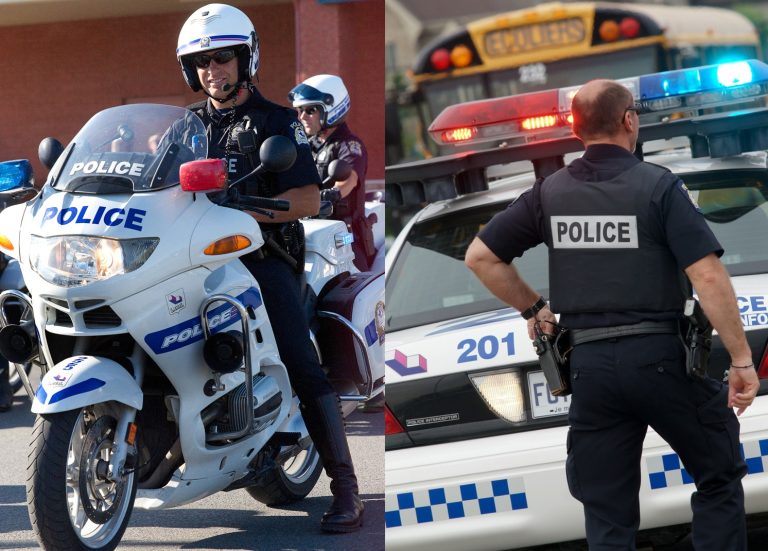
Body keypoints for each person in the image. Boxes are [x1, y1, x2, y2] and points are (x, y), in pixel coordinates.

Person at [464, 79, 759, 550]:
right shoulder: (658, 185)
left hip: (590, 369)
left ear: (575, 129)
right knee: (718, 475)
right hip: (662, 359)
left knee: (607, 512)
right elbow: (707, 275)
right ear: (628, 121)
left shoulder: (548, 194)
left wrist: (535, 308)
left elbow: (480, 257)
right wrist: (741, 361)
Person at [176, 4, 363, 532]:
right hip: (190, 260)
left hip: (261, 259)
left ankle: (347, 489)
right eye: (204, 61)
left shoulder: (279, 122)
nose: (214, 69)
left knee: (302, 361)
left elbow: (306, 197)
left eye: (223, 58)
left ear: (245, 58)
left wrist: (243, 211)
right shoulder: (185, 126)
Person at [289, 75, 375, 272]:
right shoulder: (310, 146)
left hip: (345, 237)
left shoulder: (350, 145)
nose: (302, 117)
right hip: (313, 233)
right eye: (300, 111)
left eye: (310, 110)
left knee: (352, 291)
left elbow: (349, 179)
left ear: (331, 109)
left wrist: (329, 195)